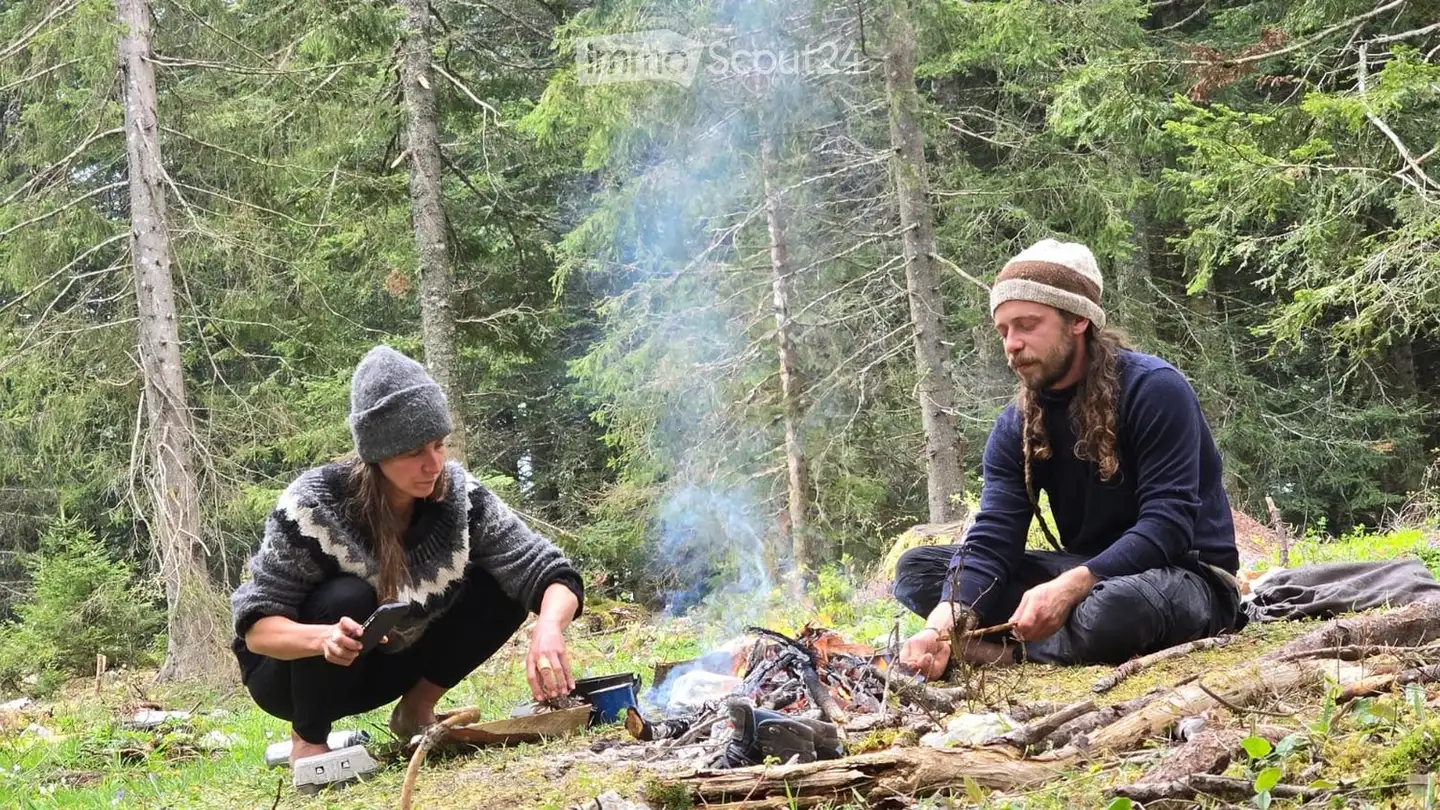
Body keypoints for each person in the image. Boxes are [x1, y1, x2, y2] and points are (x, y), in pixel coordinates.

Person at [894, 239, 1244, 678]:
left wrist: (1071, 586)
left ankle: (1003, 654)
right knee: (919, 571)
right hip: (1084, 578)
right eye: (1003, 330)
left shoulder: (1155, 389)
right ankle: (991, 643)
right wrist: (942, 625)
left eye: (1026, 325)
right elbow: (994, 536)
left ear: (1078, 319)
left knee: (1117, 607)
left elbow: (1168, 525)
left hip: (1187, 577)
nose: (1012, 344)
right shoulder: (1019, 423)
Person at [230, 346, 584, 766]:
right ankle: (308, 742)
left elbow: (550, 570)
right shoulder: (314, 505)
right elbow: (257, 629)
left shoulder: (459, 496)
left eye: (439, 445)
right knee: (346, 597)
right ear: (377, 453)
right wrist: (322, 639)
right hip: (289, 677)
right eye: (414, 452)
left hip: (383, 664)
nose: (433, 465)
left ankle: (414, 711)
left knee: (504, 587)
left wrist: (547, 627)